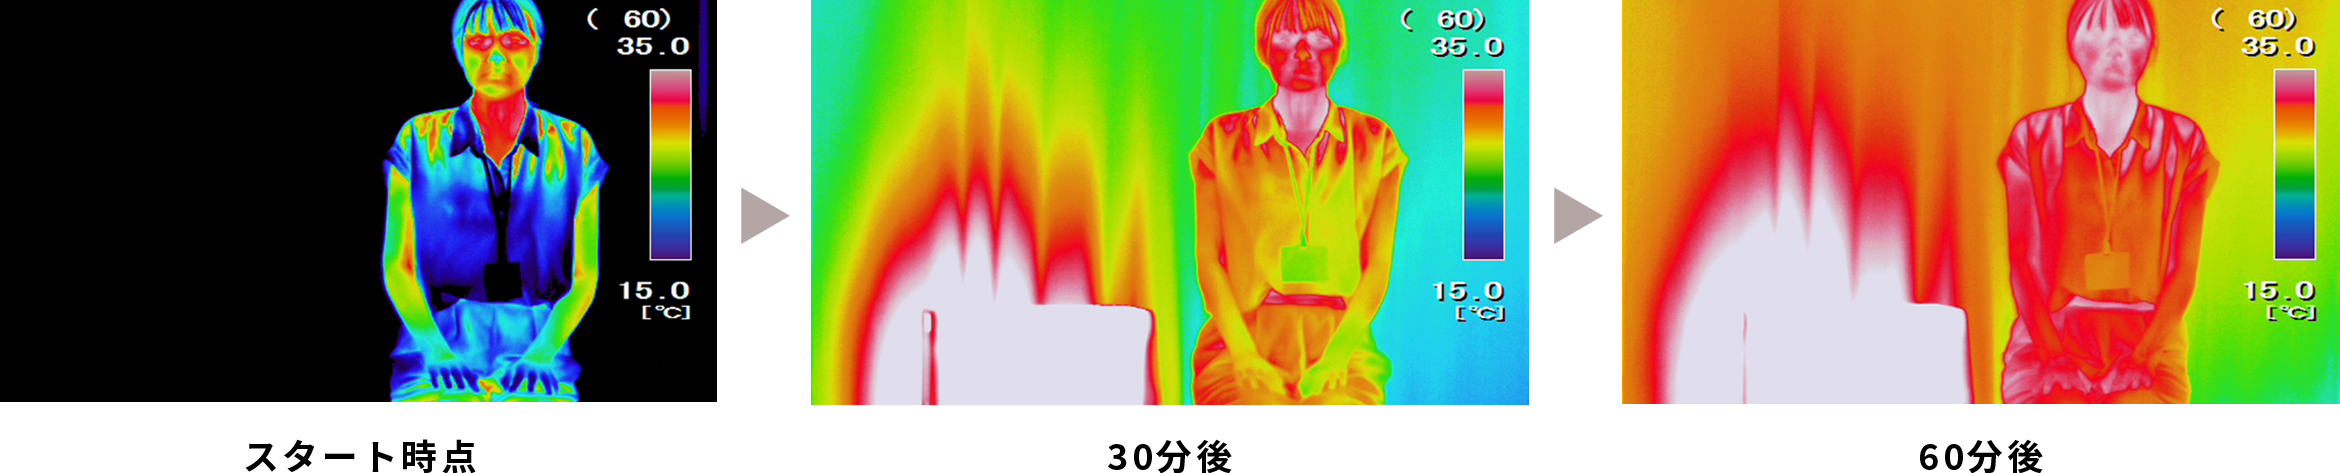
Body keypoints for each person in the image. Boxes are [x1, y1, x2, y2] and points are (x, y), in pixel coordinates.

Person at [382, 0, 607, 401]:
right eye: (479, 42)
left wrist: (540, 355)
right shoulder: (417, 137)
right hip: (433, 344)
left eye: (514, 41)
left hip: (542, 347)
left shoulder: (575, 143)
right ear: (459, 49)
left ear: (537, 48)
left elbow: (585, 274)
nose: (497, 57)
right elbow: (398, 264)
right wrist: (436, 351)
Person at [1190, 0, 1405, 406]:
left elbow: (1378, 264)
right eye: (1286, 35)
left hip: (1343, 340)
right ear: (1263, 48)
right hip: (1242, 337)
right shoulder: (1222, 139)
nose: (1302, 52)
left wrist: (1337, 358)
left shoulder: (1376, 142)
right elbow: (1208, 258)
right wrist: (1245, 355)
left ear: (1340, 48)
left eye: (1318, 36)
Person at [1998, 0, 2214, 404]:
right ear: (2072, 42)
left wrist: (2144, 358)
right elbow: (2023, 261)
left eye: (2130, 32)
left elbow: (2183, 269)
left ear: (2151, 45)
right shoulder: (2033, 137)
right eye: (2099, 29)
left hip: (2149, 339)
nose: (2115, 46)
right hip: (2048, 337)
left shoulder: (2184, 142)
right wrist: (2053, 356)